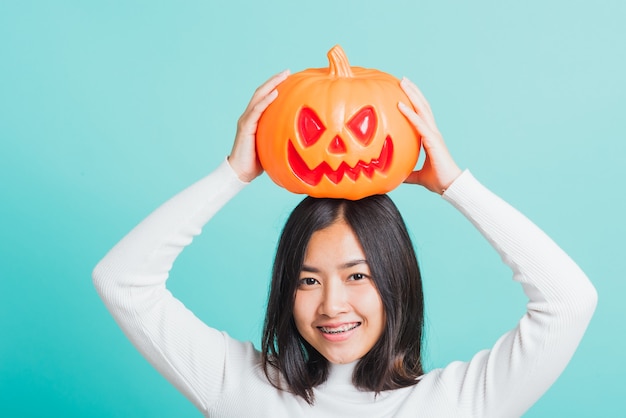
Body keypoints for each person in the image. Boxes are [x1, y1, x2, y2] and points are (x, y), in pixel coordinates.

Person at [93, 70, 597, 417]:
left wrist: (456, 186)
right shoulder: (239, 388)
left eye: (358, 276)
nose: (332, 306)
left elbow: (569, 302)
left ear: (395, 281)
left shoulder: (456, 403)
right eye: (308, 280)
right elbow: (121, 282)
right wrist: (233, 174)